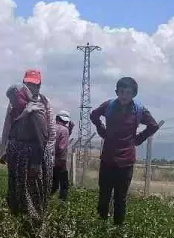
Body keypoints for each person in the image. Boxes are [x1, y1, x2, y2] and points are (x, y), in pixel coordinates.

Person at [89, 76, 161, 226]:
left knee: (120, 198)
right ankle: (100, 225)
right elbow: (94, 115)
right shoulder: (109, 106)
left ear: (134, 94)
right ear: (117, 92)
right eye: (122, 92)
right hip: (108, 158)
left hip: (126, 161)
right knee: (104, 195)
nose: (124, 96)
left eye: (128, 93)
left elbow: (153, 125)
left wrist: (138, 139)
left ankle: (118, 229)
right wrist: (102, 130)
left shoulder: (139, 110)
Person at [1, 69, 55, 232]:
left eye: (34, 84)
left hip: (35, 155)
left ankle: (33, 227)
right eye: (27, 84)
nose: (31, 87)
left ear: (39, 85)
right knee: (17, 188)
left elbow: (48, 134)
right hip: (17, 153)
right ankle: (19, 222)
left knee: (34, 189)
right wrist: (6, 150)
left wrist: (45, 158)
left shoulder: (40, 106)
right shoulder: (15, 104)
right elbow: (7, 127)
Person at [52, 111, 74, 200]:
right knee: (64, 182)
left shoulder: (50, 127)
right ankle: (62, 201)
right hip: (59, 160)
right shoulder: (64, 130)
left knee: (52, 181)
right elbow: (62, 147)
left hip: (47, 158)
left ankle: (46, 199)